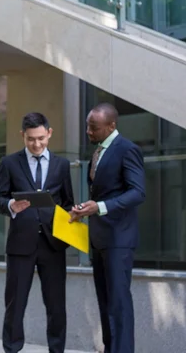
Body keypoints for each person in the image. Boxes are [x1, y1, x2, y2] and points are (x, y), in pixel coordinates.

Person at [0, 112, 74, 353]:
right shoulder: (9, 163)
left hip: (53, 245)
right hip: (20, 245)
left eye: (40, 138)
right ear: (22, 136)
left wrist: (73, 213)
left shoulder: (62, 165)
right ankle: (12, 349)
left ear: (49, 133)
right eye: (30, 139)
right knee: (15, 305)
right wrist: (10, 206)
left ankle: (56, 350)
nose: (36, 144)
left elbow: (67, 202)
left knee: (56, 305)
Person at [71, 103, 145, 353]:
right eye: (87, 127)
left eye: (93, 128)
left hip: (119, 239)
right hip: (100, 239)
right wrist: (84, 209)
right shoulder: (98, 151)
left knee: (119, 304)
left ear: (111, 126)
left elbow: (137, 192)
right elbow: (103, 192)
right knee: (105, 303)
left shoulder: (127, 149)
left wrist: (100, 207)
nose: (88, 132)